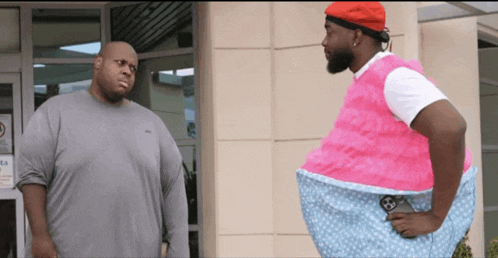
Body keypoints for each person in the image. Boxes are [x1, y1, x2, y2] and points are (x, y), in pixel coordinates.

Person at [296, 2, 477, 257]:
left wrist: (435, 216)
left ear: (356, 35)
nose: (324, 42)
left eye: (330, 31)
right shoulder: (372, 78)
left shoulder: (394, 78)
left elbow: (451, 128)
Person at [16, 41, 189, 258]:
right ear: (98, 63)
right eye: (120, 63)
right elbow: (32, 178)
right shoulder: (54, 113)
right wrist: (40, 236)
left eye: (133, 68)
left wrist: (180, 250)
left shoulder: (152, 124)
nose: (127, 70)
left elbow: (173, 186)